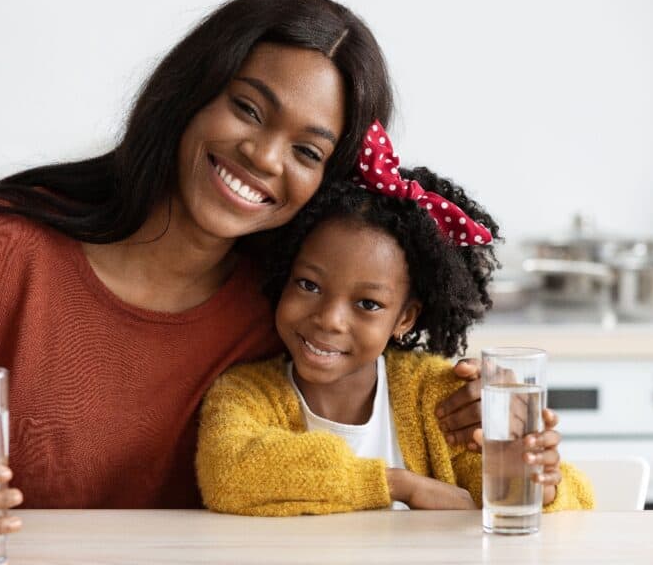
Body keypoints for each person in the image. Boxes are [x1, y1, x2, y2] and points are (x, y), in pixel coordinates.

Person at [0, 0, 483, 563]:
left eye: (306, 149)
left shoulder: (285, 307)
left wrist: (481, 427)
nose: (265, 156)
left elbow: (389, 426)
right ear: (190, 93)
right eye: (246, 108)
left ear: (326, 182)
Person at [196, 123, 595, 515]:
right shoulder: (245, 393)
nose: (330, 320)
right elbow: (229, 472)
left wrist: (536, 479)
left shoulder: (440, 400)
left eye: (368, 304)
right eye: (309, 285)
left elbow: (575, 503)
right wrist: (402, 486)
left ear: (405, 318)